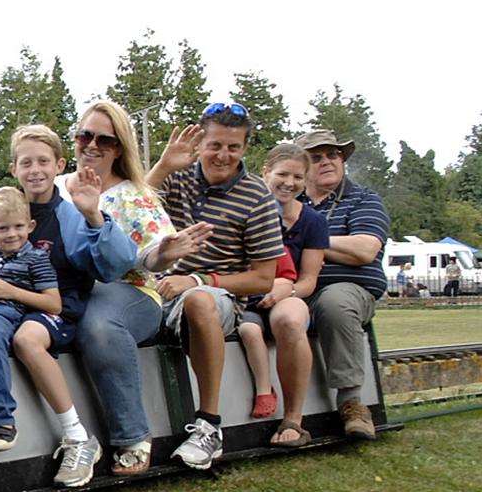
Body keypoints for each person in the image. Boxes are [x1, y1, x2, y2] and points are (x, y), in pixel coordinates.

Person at [58, 100, 213, 476]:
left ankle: (132, 436)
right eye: (85, 135)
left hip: (131, 296)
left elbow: (151, 260)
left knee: (97, 321)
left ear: (120, 149)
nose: (92, 146)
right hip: (62, 290)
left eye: (105, 141)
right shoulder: (55, 186)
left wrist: (166, 252)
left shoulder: (133, 196)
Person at [0, 125, 137, 487]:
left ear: (59, 165)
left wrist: (94, 216)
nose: (35, 170)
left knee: (27, 339)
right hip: (12, 305)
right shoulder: (8, 210)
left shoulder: (70, 213)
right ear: (14, 169)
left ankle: (77, 437)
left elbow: (115, 264)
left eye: (43, 161)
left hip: (56, 307)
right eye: (26, 163)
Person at [147, 103, 283, 468]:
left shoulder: (258, 197)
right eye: (215, 145)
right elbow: (129, 209)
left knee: (199, 301)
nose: (223, 155)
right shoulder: (178, 177)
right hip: (157, 289)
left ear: (244, 149)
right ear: (200, 144)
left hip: (219, 297)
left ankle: (209, 426)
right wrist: (161, 167)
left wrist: (198, 279)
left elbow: (262, 278)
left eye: (233, 147)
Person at [296, 129, 391, 438]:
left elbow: (364, 250)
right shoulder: (286, 202)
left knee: (334, 301)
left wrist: (308, 241)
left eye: (333, 154)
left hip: (349, 291)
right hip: (295, 290)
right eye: (316, 157)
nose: (327, 161)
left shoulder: (363, 199)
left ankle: (351, 403)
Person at [234, 142, 329, 446]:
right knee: (247, 326)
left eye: (298, 177)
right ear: (266, 172)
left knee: (289, 319)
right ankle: (261, 391)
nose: (290, 183)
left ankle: (294, 419)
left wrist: (283, 289)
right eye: (283, 174)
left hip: (288, 293)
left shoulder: (313, 221)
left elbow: (308, 280)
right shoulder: (246, 210)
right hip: (247, 295)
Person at [0, 187, 60, 457]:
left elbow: (54, 303)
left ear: (30, 226)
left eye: (18, 226)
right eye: (3, 228)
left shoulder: (36, 259)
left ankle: (2, 420)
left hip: (1, 315)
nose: (12, 234)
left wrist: (11, 291)